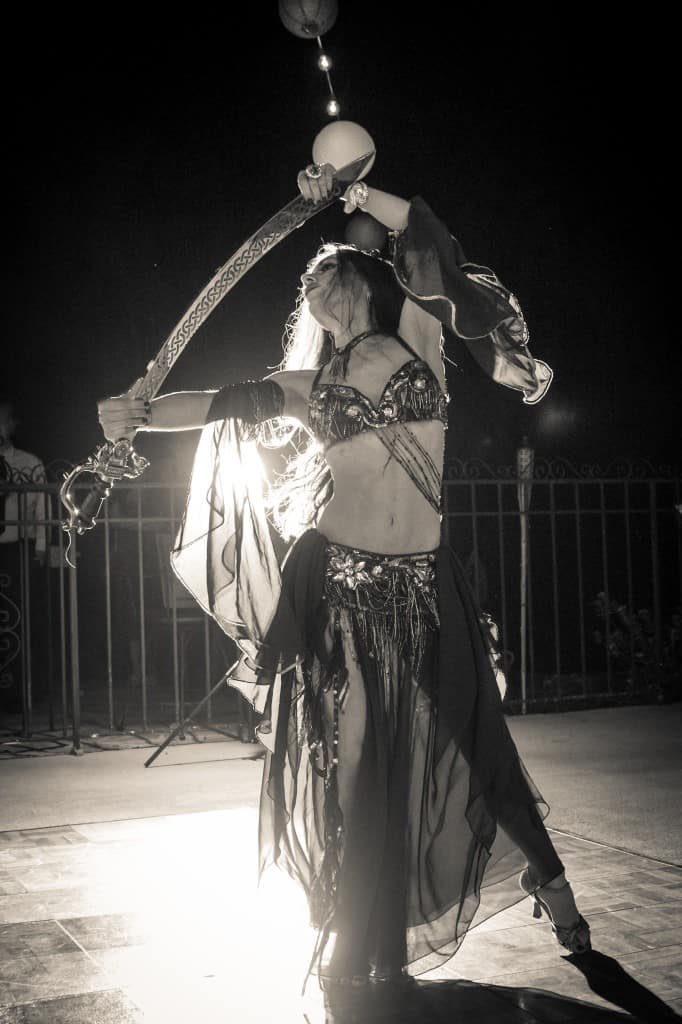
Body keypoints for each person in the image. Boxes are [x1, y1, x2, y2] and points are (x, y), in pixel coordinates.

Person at [97, 165, 588, 1012]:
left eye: (324, 269)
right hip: (346, 597)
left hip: (429, 588)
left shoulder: (422, 339)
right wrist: (138, 411)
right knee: (358, 770)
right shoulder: (306, 387)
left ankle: (559, 894)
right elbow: (213, 402)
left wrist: (352, 195)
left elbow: (429, 241)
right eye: (307, 280)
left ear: (356, 278)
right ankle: (357, 931)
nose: (312, 283)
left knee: (480, 741)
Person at [0, 398, 48, 717]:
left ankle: (16, 693)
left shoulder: (29, 463)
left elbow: (41, 509)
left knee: (15, 621)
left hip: (13, 547)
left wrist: (41, 545)